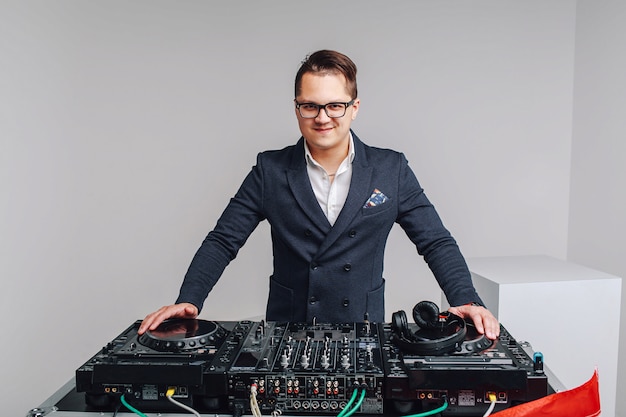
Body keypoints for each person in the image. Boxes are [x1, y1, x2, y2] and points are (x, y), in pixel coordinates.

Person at [139, 50, 500, 340]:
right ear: (297, 109)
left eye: (335, 105)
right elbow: (223, 240)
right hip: (286, 332)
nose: (322, 117)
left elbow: (435, 241)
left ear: (353, 108)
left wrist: (466, 300)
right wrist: (188, 299)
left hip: (364, 330)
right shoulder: (270, 170)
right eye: (309, 105)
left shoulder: (392, 170)